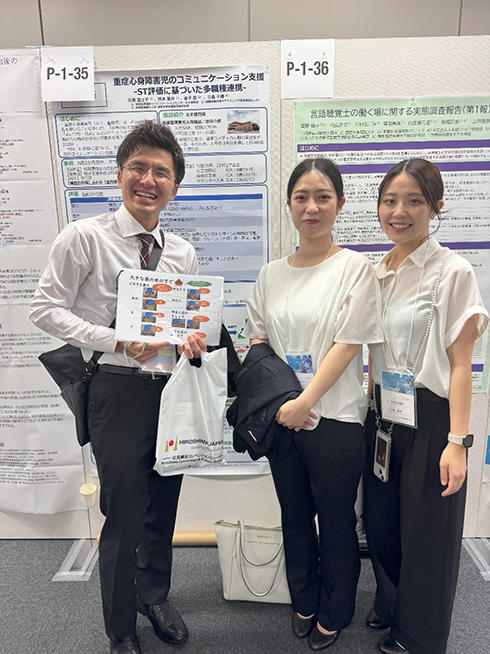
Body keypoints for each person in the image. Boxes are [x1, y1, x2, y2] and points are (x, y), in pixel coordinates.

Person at [30, 121, 206, 654]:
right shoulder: (85, 237)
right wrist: (116, 342)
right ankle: (121, 626)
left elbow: (180, 324)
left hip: (169, 390)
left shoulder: (182, 252)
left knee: (163, 502)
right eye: (138, 168)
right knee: (124, 511)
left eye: (161, 172)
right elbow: (44, 309)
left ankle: (154, 596)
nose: (148, 180)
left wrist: (191, 339)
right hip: (114, 389)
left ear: (175, 186)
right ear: (120, 173)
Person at [246, 158, 383, 651]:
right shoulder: (270, 274)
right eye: (301, 197)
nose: (311, 207)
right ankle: (303, 600)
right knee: (295, 515)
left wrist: (305, 400)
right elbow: (258, 341)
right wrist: (287, 403)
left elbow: (348, 344)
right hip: (284, 419)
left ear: (339, 204)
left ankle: (335, 610)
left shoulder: (355, 269)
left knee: (336, 520)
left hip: (336, 420)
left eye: (323, 197)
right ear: (288, 205)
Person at [363, 158, 488, 654]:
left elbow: (461, 365)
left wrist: (458, 442)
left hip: (432, 416)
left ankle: (419, 635)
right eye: (390, 201)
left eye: (414, 201)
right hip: (382, 413)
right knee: (383, 523)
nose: (400, 212)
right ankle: (392, 604)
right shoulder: (379, 270)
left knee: (428, 534)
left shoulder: (452, 272)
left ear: (436, 208)